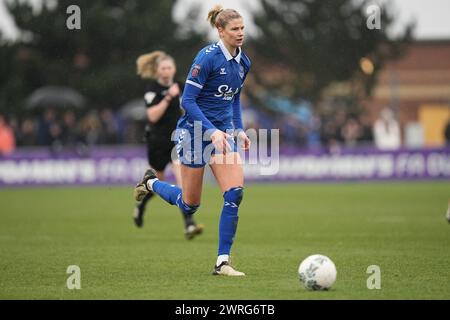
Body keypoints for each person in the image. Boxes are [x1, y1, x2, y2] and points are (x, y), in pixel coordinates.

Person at [134, 5, 251, 276]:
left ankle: (222, 262)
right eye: (234, 29)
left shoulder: (244, 61)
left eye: (242, 28)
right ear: (220, 31)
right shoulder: (207, 58)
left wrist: (239, 129)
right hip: (195, 133)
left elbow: (233, 97)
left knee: (235, 194)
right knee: (190, 204)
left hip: (221, 136)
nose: (240, 33)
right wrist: (211, 131)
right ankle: (150, 182)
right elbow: (187, 101)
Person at [134, 50, 204, 240]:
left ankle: (189, 224)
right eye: (163, 68)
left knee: (184, 183)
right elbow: (152, 116)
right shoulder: (152, 90)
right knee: (156, 183)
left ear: (173, 69)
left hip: (177, 141)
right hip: (157, 142)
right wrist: (167, 97)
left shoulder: (180, 86)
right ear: (157, 71)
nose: (166, 71)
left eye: (169, 67)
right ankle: (140, 207)